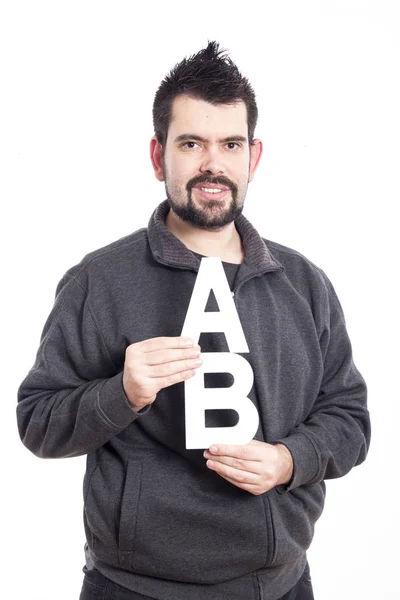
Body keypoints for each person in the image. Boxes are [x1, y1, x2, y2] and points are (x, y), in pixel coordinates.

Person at [17, 41, 370, 600]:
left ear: (253, 158)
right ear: (159, 157)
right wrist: (123, 392)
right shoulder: (99, 281)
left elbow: (349, 418)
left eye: (230, 143)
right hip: (136, 588)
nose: (213, 163)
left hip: (279, 585)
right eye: (191, 143)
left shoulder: (304, 283)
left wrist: (288, 460)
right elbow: (38, 424)